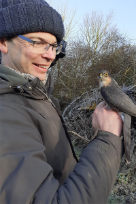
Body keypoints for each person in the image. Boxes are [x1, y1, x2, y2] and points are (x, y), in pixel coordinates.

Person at [0, 0, 123, 203]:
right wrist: (106, 139)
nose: (50, 55)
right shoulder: (6, 113)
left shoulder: (35, 95)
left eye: (54, 46)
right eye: (37, 42)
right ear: (3, 42)